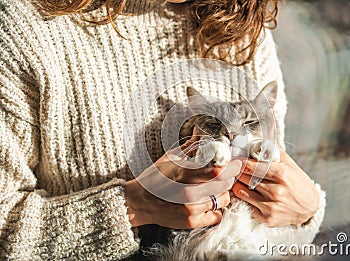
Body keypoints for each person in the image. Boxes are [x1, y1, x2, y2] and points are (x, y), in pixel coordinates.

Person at [0, 0, 325, 260]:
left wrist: (306, 212)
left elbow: (266, 227)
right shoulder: (22, 27)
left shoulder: (237, 22)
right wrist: (136, 206)